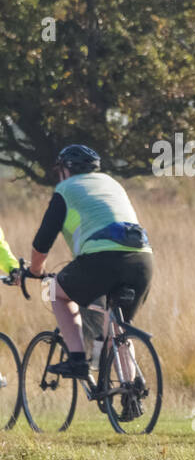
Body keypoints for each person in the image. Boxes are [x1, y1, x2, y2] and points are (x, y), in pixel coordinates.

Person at [27, 145, 153, 388]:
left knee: (55, 291)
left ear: (65, 170)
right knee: (117, 331)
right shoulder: (113, 184)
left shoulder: (65, 189)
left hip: (103, 259)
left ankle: (77, 360)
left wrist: (34, 271)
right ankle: (130, 392)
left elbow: (43, 241)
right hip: (143, 259)